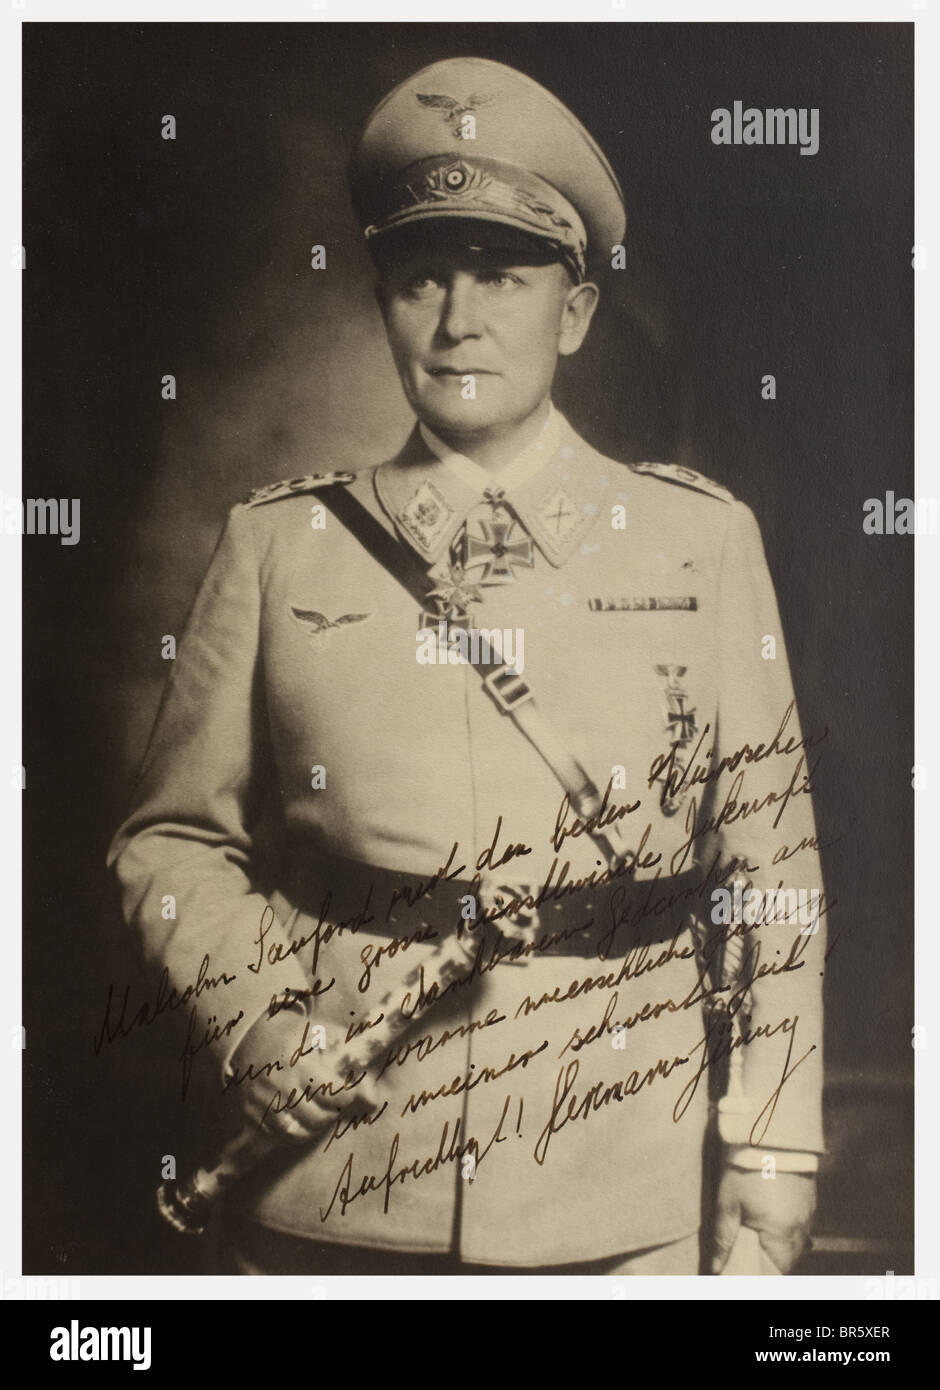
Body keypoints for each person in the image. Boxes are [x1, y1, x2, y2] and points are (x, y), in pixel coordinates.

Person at [108, 56, 826, 1276]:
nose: (457, 321)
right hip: (336, 1182)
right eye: (420, 279)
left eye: (501, 275)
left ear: (576, 311)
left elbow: (766, 868)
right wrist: (264, 1023)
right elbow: (169, 842)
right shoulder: (281, 545)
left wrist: (768, 1149)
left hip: (612, 1185)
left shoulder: (702, 542)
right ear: (381, 301)